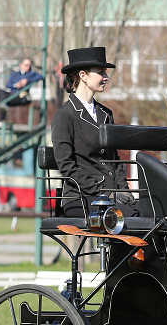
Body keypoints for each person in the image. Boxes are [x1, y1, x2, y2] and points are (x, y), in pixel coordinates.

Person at [51, 47, 138, 218]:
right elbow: (67, 167)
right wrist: (106, 192)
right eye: (101, 72)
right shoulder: (64, 116)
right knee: (132, 218)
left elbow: (115, 160)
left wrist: (123, 191)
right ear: (83, 76)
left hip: (110, 197)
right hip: (80, 198)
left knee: (151, 214)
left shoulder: (106, 114)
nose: (106, 77)